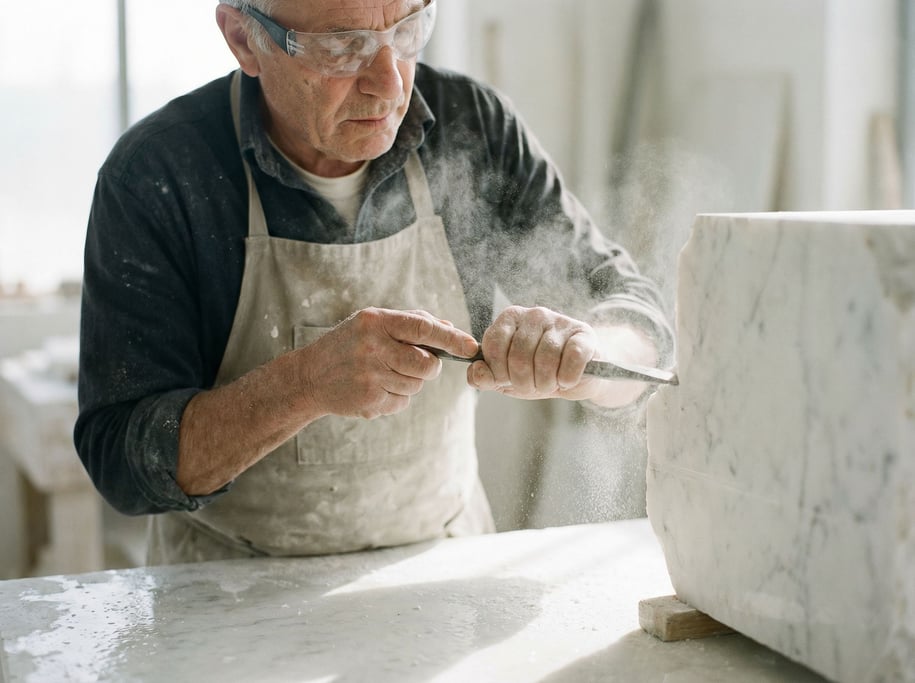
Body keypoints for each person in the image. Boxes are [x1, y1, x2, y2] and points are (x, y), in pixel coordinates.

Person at [75, 0, 675, 565]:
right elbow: (121, 465)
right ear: (244, 39)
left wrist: (588, 356)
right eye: (342, 45)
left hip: (439, 565)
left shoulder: (472, 127)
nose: (389, 85)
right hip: (229, 585)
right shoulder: (158, 175)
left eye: (407, 29)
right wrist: (302, 385)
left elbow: (639, 322)